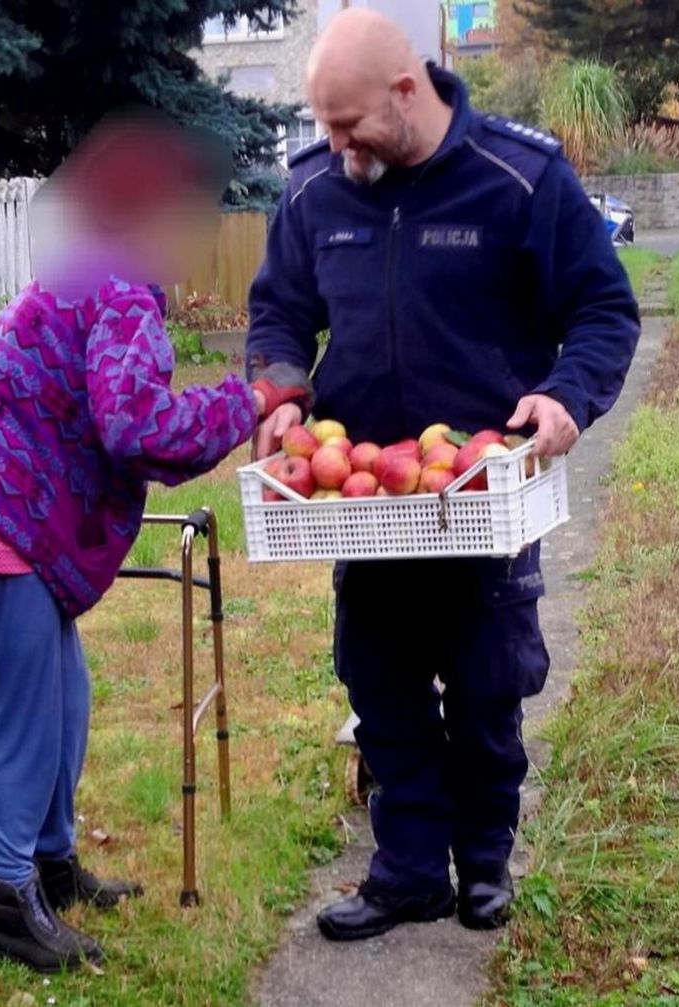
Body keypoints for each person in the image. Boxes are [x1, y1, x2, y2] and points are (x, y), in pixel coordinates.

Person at [246, 9, 640, 942]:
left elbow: (601, 308)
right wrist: (283, 393)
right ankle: (409, 871)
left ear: (406, 91)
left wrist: (566, 396)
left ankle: (486, 863)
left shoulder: (520, 177)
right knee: (379, 685)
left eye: (348, 125)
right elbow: (278, 314)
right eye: (323, 127)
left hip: (484, 492)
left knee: (487, 685)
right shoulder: (313, 193)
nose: (334, 146)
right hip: (366, 502)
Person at [0, 110, 309, 972]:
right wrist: (248, 403)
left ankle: (50, 863)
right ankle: (6, 899)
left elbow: (101, 411)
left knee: (64, 697)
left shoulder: (89, 274)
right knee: (24, 714)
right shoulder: (122, 288)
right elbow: (134, 426)